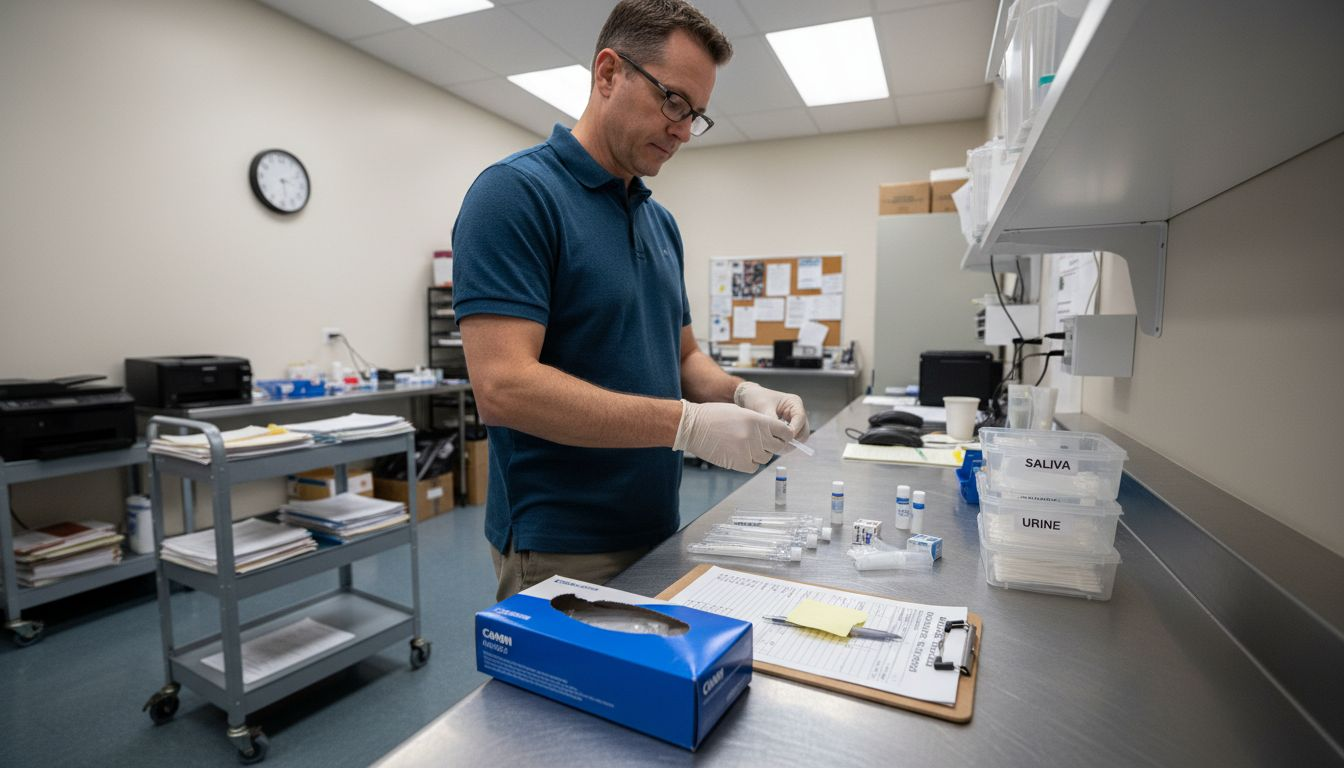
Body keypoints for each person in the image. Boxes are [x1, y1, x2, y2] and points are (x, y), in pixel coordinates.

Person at [452, 0, 808, 600]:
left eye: (696, 115)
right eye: (673, 101)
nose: (681, 129)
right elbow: (504, 387)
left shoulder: (659, 221)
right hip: (562, 545)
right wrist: (687, 425)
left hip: (657, 526)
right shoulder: (514, 196)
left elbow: (684, 357)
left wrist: (745, 393)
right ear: (609, 73)